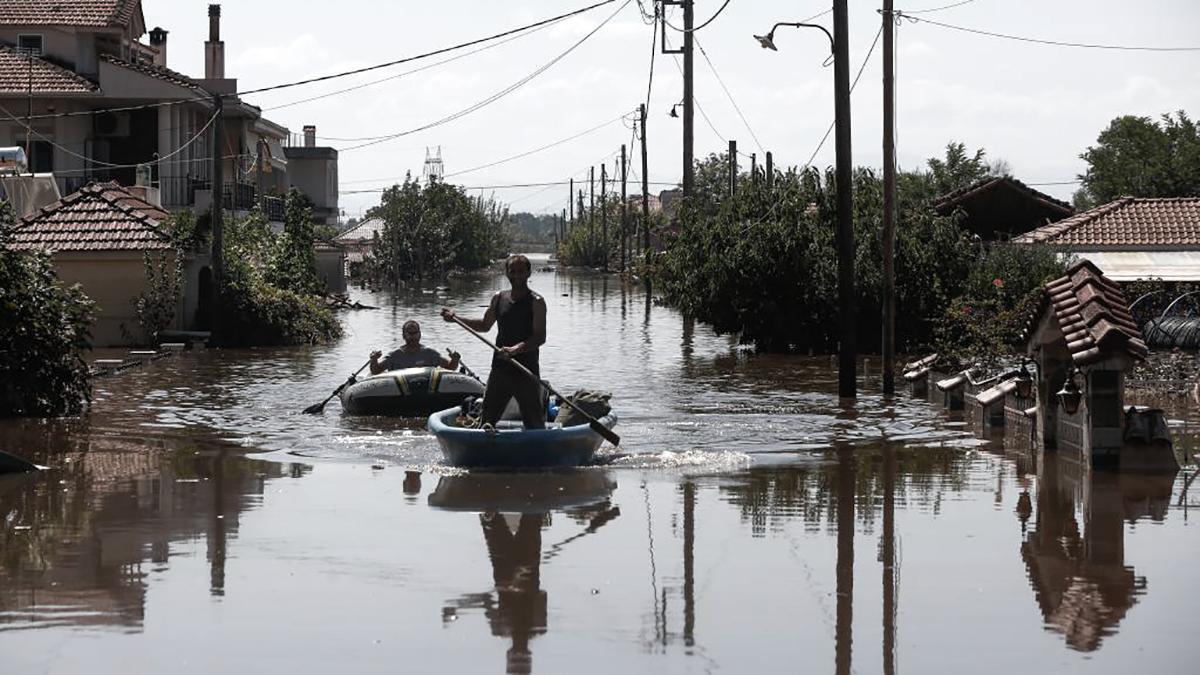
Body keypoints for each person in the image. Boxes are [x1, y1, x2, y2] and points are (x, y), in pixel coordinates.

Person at [442, 254, 547, 429]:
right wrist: (456, 318)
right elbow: (484, 325)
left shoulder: (537, 302)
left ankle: (538, 450)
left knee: (534, 422)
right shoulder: (499, 298)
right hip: (500, 370)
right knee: (487, 420)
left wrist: (515, 350)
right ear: (507, 273)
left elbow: (539, 337)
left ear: (528, 273)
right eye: (513, 271)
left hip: (526, 371)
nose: (517, 275)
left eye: (521, 271)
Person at [369, 319, 460, 374]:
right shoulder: (395, 355)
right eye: (409, 333)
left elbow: (450, 367)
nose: (412, 336)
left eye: (415, 333)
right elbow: (376, 371)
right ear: (404, 335)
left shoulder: (429, 353)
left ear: (419, 334)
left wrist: (455, 359)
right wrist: (374, 360)